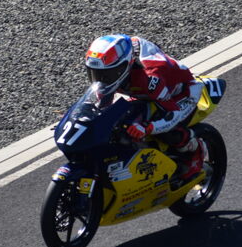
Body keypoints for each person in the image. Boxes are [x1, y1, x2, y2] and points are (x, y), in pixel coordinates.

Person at [84, 33, 205, 183]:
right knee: (114, 121)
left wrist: (148, 128)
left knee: (162, 128)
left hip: (181, 93)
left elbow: (173, 114)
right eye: (96, 74)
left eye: (106, 74)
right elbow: (99, 104)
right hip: (144, 93)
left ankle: (195, 149)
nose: (101, 80)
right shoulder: (116, 70)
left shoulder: (150, 79)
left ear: (124, 66)